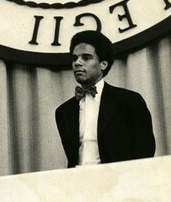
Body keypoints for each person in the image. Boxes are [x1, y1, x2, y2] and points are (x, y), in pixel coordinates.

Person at [55, 30, 155, 168]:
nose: (77, 63)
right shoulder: (63, 112)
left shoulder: (129, 101)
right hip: (80, 185)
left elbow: (145, 152)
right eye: (74, 58)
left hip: (120, 184)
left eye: (86, 57)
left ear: (103, 64)